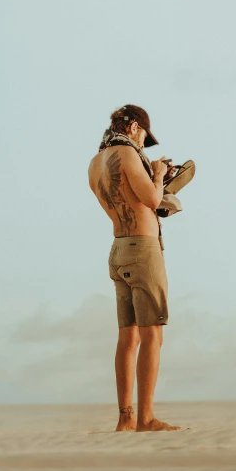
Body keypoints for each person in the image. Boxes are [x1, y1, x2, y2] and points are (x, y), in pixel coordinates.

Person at [88, 104, 182, 432]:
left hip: (118, 249)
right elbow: (152, 201)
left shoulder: (95, 163)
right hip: (143, 250)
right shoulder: (129, 156)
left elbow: (125, 197)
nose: (144, 143)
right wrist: (157, 176)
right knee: (152, 333)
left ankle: (125, 418)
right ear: (132, 127)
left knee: (127, 337)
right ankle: (146, 418)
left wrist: (155, 181)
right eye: (144, 135)